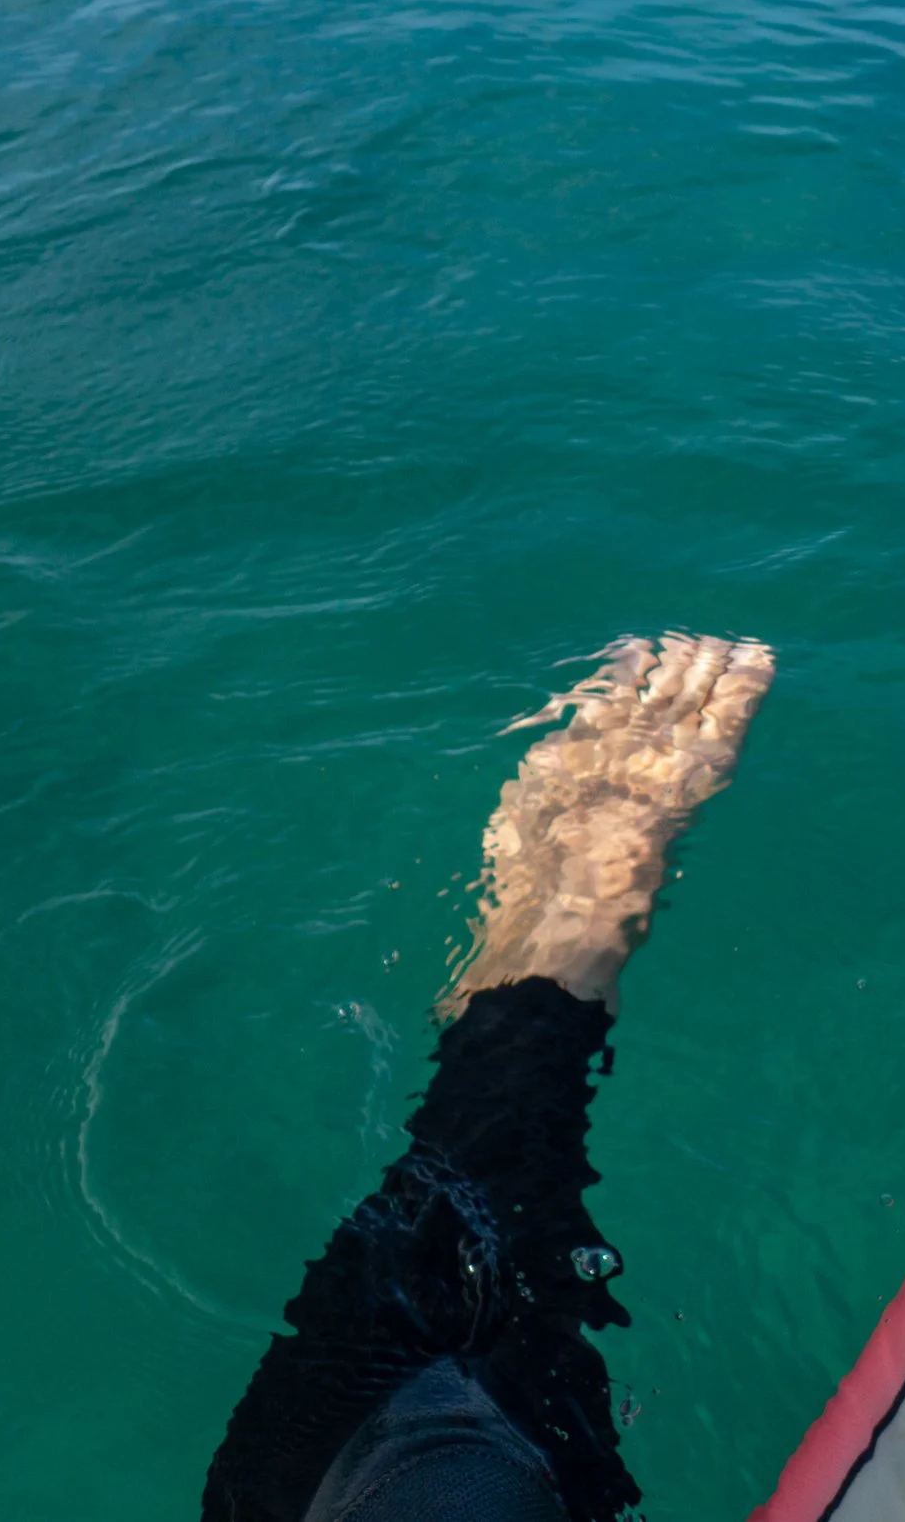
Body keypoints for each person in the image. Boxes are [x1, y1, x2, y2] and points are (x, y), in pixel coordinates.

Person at [203, 634, 777, 1522]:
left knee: (504, 1097)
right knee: (487, 1110)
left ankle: (612, 835)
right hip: (328, 1457)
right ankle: (573, 867)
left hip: (396, 1431)